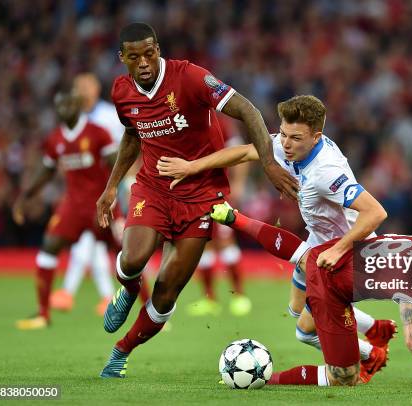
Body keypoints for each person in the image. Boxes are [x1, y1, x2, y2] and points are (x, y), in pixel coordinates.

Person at [96, 22, 297, 378]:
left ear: (158, 50)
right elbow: (132, 136)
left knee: (167, 291)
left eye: (149, 53)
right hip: (154, 187)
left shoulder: (191, 77)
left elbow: (248, 109)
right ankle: (127, 290)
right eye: (134, 56)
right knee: (132, 260)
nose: (143, 62)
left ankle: (121, 351)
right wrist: (111, 187)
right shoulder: (122, 91)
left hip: (203, 193)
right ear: (122, 59)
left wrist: (267, 162)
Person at [157, 95, 395, 383]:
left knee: (305, 331)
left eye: (295, 137)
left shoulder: (326, 172)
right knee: (296, 308)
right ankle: (375, 330)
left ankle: (370, 353)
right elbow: (246, 152)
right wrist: (192, 167)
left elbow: (375, 212)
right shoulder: (291, 146)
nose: (285, 144)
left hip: (346, 252)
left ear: (316, 137)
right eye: (282, 134)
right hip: (319, 240)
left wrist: (339, 249)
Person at [208, 202, 412, 392]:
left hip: (336, 252)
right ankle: (271, 377)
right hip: (330, 282)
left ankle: (371, 336)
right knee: (342, 373)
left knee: (301, 297)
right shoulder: (410, 278)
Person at [12, 89, 118, 330]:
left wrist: (117, 196)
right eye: (59, 105)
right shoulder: (55, 138)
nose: (63, 109)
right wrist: (26, 196)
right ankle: (42, 313)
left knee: (128, 255)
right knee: (48, 247)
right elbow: (47, 170)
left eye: (68, 104)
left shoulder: (97, 133)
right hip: (72, 205)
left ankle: (154, 315)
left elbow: (116, 163)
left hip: (100, 203)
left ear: (78, 106)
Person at [50, 73, 127, 315]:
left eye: (87, 86)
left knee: (119, 242)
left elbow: (130, 142)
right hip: (84, 192)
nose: (83, 91)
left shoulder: (109, 115)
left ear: (96, 88)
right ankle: (99, 296)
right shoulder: (72, 119)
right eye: (78, 86)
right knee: (90, 242)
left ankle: (74, 293)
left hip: (115, 186)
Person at [187, 115, 252, 317]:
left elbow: (241, 153)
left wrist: (239, 183)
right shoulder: (183, 118)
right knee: (203, 243)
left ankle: (239, 296)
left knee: (225, 242)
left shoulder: (220, 122)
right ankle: (210, 299)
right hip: (193, 194)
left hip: (218, 191)